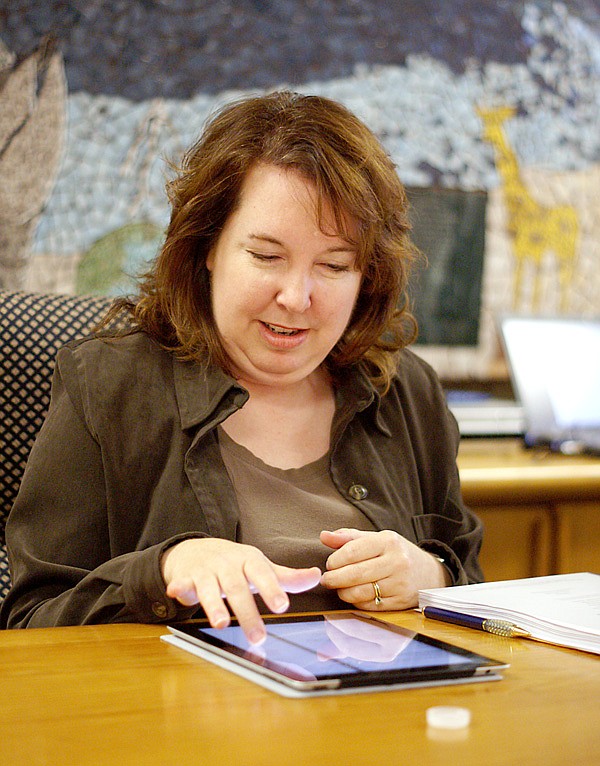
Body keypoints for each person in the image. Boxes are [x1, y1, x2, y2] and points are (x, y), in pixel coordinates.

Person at [0, 91, 483, 643]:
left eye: (333, 265)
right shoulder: (109, 386)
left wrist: (434, 577)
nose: (297, 297)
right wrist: (160, 573)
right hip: (182, 720)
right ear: (207, 246)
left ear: (365, 275)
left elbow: (475, 586)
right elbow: (29, 624)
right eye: (266, 256)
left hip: (377, 718)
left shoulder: (406, 389)